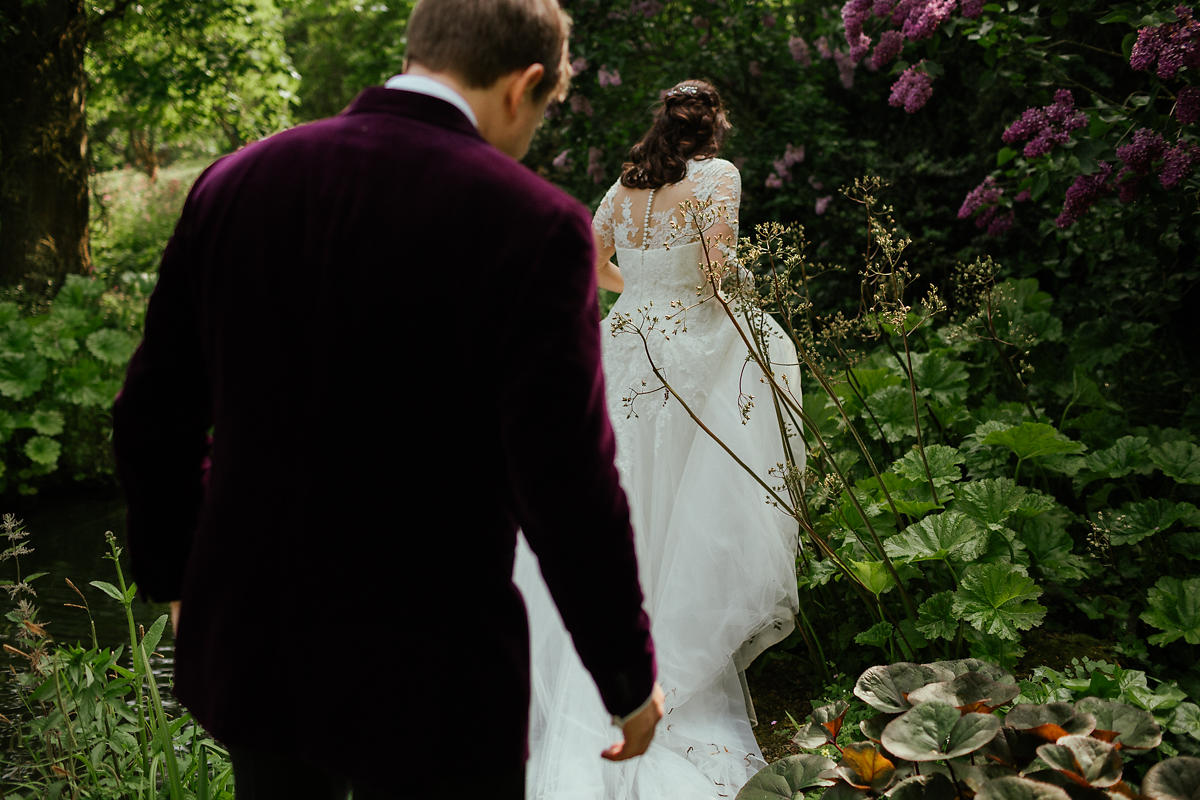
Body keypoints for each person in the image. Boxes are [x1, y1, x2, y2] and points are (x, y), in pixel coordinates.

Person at [111, 1, 664, 797]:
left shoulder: (235, 182)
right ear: (526, 85)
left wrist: (177, 579)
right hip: (436, 672)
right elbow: (566, 485)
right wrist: (625, 673)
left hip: (259, 643)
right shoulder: (535, 225)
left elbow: (152, 415)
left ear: (416, 53)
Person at [513, 80, 804, 799]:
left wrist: (638, 288)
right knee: (681, 501)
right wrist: (750, 311)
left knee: (616, 497)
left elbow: (590, 257)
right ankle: (665, 663)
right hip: (687, 352)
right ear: (714, 127)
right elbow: (715, 270)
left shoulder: (624, 186)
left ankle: (591, 655)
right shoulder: (718, 176)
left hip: (625, 346)